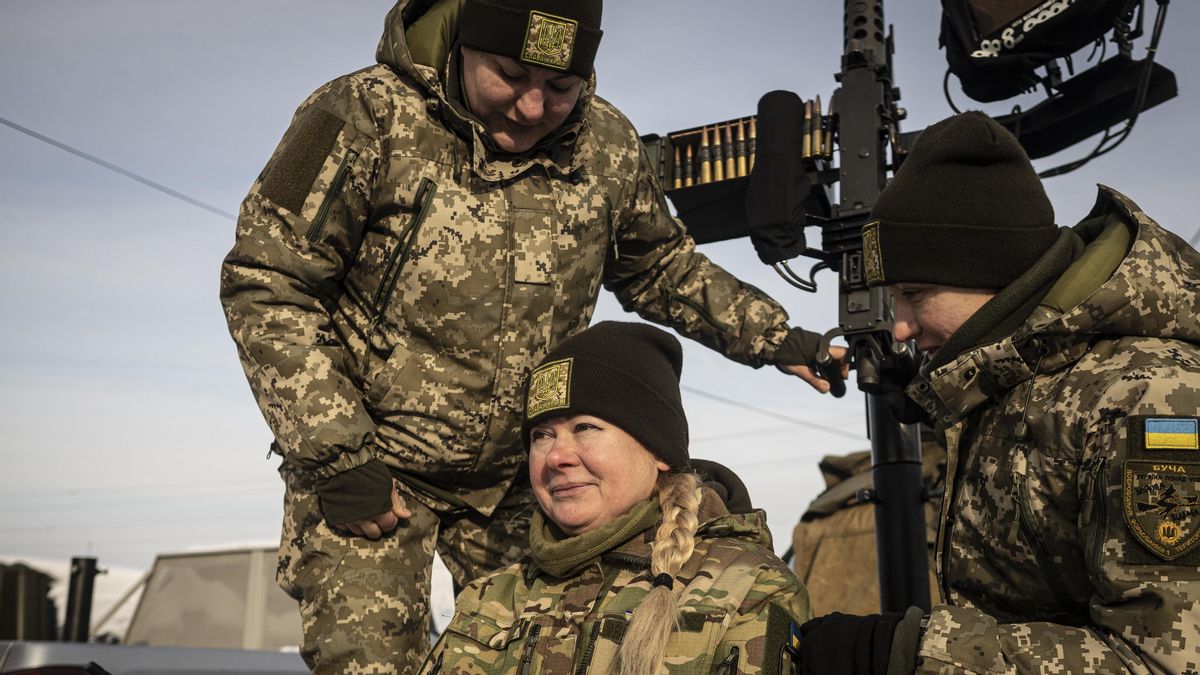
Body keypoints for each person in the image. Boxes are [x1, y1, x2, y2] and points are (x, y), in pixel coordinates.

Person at [219, 0, 842, 670]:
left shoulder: (606, 146)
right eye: (511, 76)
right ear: (465, 44)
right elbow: (268, 281)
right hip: (378, 472)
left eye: (561, 87)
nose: (532, 107)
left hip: (522, 481)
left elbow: (660, 265)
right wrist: (338, 454)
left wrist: (777, 338)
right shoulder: (363, 115)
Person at [794, 111, 1200, 673]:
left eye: (916, 294)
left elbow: (1162, 661)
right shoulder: (1015, 379)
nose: (901, 327)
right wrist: (928, 400)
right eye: (894, 299)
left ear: (996, 272)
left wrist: (909, 655)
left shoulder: (1152, 400)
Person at [420, 321, 812, 674]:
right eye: (541, 435)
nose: (556, 456)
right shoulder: (490, 596)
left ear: (658, 451)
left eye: (585, 427)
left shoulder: (748, 586)